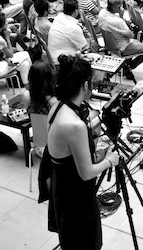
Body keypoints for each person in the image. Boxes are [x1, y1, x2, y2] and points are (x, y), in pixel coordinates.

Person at [47, 55, 119, 250]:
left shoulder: (57, 107)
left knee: (70, 243)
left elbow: (65, 154)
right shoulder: (75, 125)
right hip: (75, 198)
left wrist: (94, 154)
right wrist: (109, 160)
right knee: (84, 244)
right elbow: (86, 173)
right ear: (86, 85)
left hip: (61, 188)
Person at [98, 0, 143, 82]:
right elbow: (131, 35)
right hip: (123, 47)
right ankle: (129, 66)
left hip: (111, 45)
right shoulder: (119, 21)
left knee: (138, 42)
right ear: (116, 7)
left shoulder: (102, 13)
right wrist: (121, 16)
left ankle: (126, 65)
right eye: (120, 5)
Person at [0, 12, 32, 88]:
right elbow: (10, 54)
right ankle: (33, 80)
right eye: (6, 21)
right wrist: (7, 38)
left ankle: (28, 86)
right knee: (26, 54)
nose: (7, 22)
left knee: (25, 64)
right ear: (2, 25)